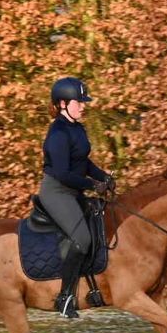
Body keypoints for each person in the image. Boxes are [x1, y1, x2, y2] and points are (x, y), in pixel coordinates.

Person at [39, 76, 115, 319]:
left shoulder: (76, 128)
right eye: (78, 102)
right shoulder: (58, 133)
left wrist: (103, 177)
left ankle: (92, 286)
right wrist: (92, 184)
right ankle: (64, 298)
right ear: (63, 104)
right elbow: (62, 173)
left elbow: (84, 161)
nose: (83, 105)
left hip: (74, 190)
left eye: (83, 102)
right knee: (82, 237)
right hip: (57, 191)